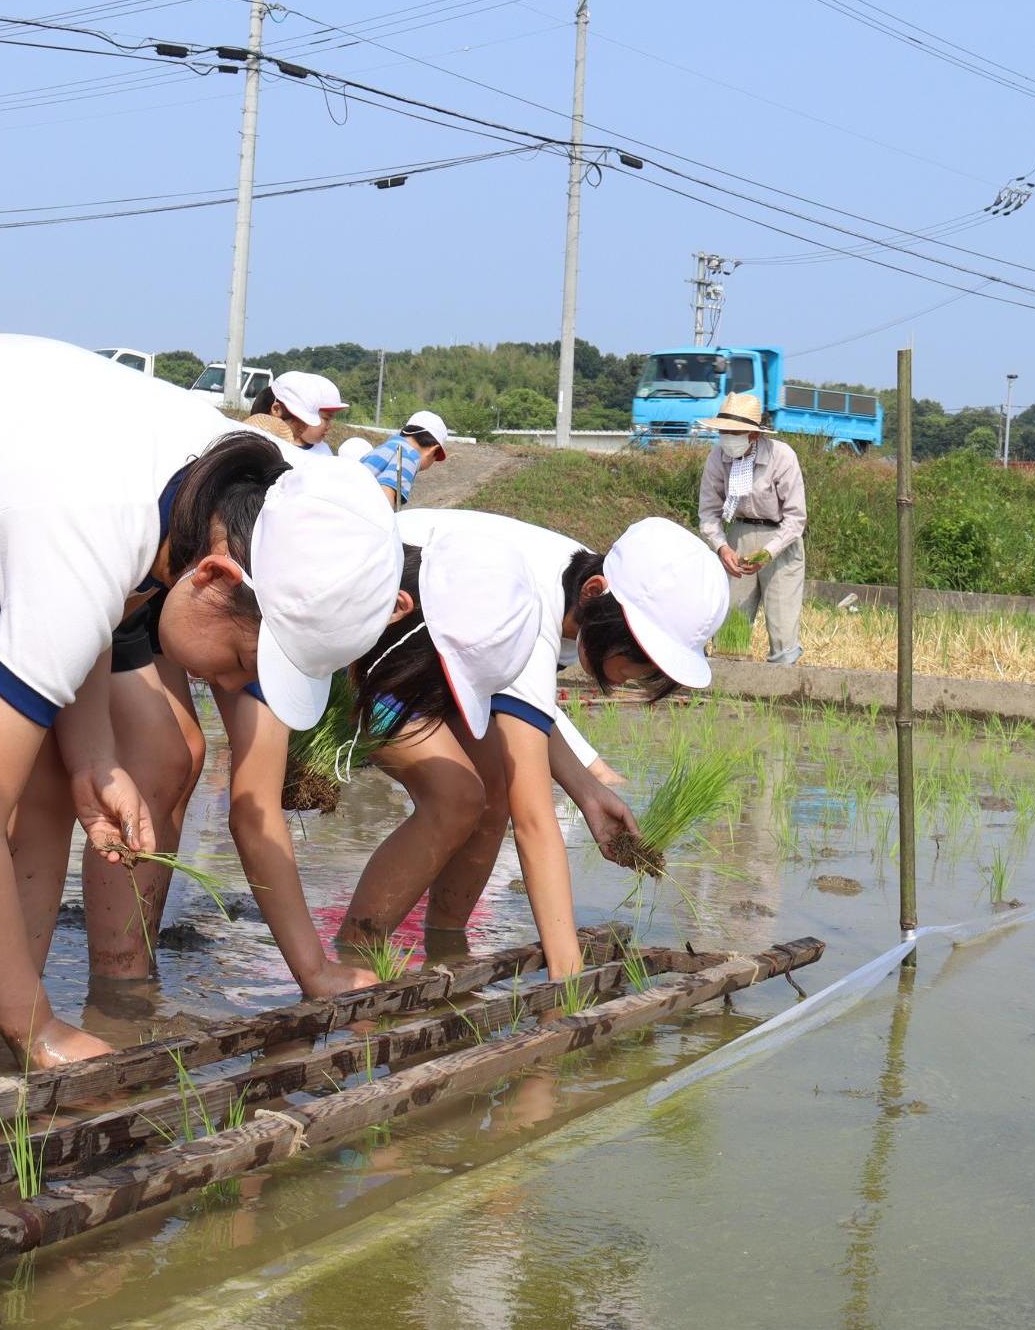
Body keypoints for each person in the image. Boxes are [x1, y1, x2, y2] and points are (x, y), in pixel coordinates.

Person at [0, 334, 405, 1065]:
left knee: (53, 786)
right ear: (216, 581)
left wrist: (93, 756)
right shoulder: (98, 530)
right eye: (247, 662)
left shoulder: (222, 495)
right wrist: (42, 1029)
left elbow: (99, 614)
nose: (235, 686)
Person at [340, 513, 728, 977]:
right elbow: (535, 822)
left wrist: (587, 791)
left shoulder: (590, 589)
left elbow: (528, 710)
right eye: (639, 655)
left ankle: (446, 947)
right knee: (456, 797)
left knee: (497, 790)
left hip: (441, 662)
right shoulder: (532, 605)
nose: (637, 675)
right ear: (594, 593)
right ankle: (355, 957)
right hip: (368, 646)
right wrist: (567, 975)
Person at [697, 391, 807, 665]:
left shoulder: (781, 456)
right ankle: (727, 680)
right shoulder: (717, 458)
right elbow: (709, 514)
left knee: (782, 626)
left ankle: (781, 685)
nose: (727, 439)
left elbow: (796, 518)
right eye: (724, 432)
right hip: (737, 537)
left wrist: (766, 554)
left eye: (735, 432)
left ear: (754, 435)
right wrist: (723, 549)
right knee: (731, 623)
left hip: (780, 541)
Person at [359, 409, 451, 509]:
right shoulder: (408, 458)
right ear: (433, 450)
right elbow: (385, 493)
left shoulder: (380, 449)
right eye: (436, 457)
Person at [242, 371, 346, 455]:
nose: (303, 427)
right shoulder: (256, 447)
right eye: (326, 418)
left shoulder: (323, 451)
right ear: (277, 410)